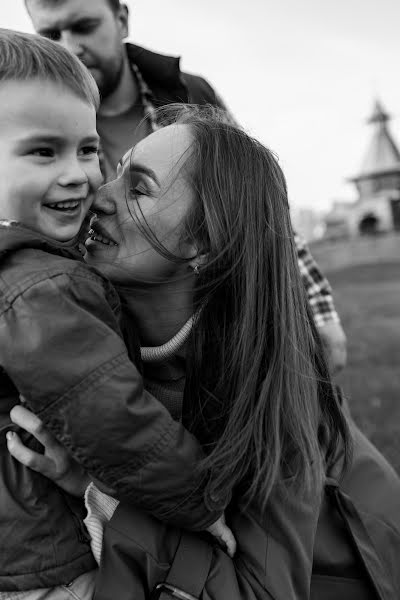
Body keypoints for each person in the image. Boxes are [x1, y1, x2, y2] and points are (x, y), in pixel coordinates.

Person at [9, 105, 400, 599]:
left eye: (139, 188)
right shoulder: (73, 329)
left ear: (206, 242)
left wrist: (101, 485)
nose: (98, 196)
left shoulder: (270, 391)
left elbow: (257, 592)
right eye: (117, 172)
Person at [0, 31, 233, 599]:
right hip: (43, 560)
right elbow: (117, 424)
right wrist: (199, 502)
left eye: (85, 148)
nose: (82, 175)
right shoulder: (42, 285)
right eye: (43, 151)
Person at [25, 0, 347, 375]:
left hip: (213, 328)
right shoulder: (36, 118)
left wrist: (317, 309)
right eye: (50, 34)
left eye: (83, 26)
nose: (68, 47)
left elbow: (249, 199)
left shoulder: (188, 93)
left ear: (122, 19)